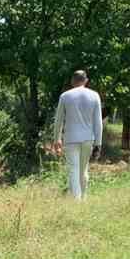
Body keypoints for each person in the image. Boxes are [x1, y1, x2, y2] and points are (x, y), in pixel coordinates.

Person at [54, 69, 104, 199]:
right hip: (88, 139)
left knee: (73, 169)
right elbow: (98, 122)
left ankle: (76, 200)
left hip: (71, 139)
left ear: (72, 81)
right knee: (83, 170)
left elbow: (58, 120)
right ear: (86, 81)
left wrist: (57, 139)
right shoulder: (94, 95)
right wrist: (98, 143)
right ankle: (83, 197)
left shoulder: (65, 96)